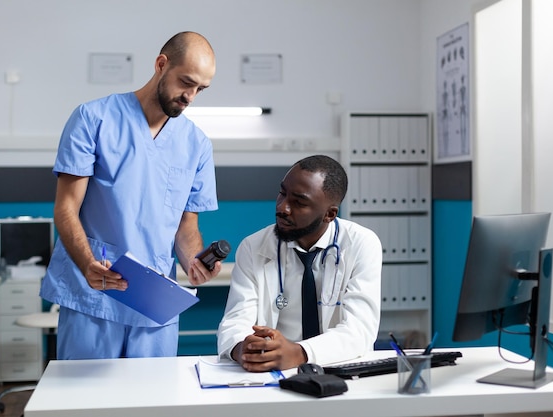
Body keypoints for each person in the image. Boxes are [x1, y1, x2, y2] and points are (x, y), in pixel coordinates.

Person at [40, 31, 222, 360]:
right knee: (84, 406)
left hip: (154, 306)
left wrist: (195, 262)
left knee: (152, 404)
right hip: (94, 295)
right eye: (186, 82)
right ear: (161, 64)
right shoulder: (92, 119)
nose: (190, 96)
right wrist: (87, 265)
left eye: (200, 89)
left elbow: (186, 224)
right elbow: (66, 208)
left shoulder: (196, 145)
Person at [217, 155, 382, 371]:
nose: (282, 208)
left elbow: (359, 330)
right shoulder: (253, 247)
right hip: (274, 371)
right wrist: (242, 348)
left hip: (339, 366)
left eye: (299, 202)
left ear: (329, 214)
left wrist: (299, 353)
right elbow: (236, 320)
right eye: (282, 193)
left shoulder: (361, 244)